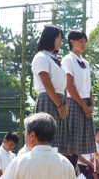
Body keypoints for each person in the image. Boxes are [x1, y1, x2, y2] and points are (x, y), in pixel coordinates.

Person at [0, 112, 76, 179]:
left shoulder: (20, 162)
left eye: (25, 133)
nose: (24, 135)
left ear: (32, 135)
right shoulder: (66, 164)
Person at [61, 29, 96, 168]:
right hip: (74, 104)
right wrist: (83, 105)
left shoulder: (85, 62)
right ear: (72, 42)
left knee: (79, 146)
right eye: (80, 41)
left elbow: (88, 86)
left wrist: (91, 105)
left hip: (86, 105)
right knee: (70, 147)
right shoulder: (67, 59)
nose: (83, 44)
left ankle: (72, 173)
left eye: (85, 41)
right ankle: (66, 173)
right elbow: (69, 86)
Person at [31, 25, 68, 154]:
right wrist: (59, 106)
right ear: (50, 38)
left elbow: (63, 85)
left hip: (60, 102)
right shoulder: (41, 57)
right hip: (48, 99)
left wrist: (65, 105)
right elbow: (46, 83)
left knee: (59, 144)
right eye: (58, 38)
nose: (60, 41)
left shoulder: (56, 60)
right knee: (46, 142)